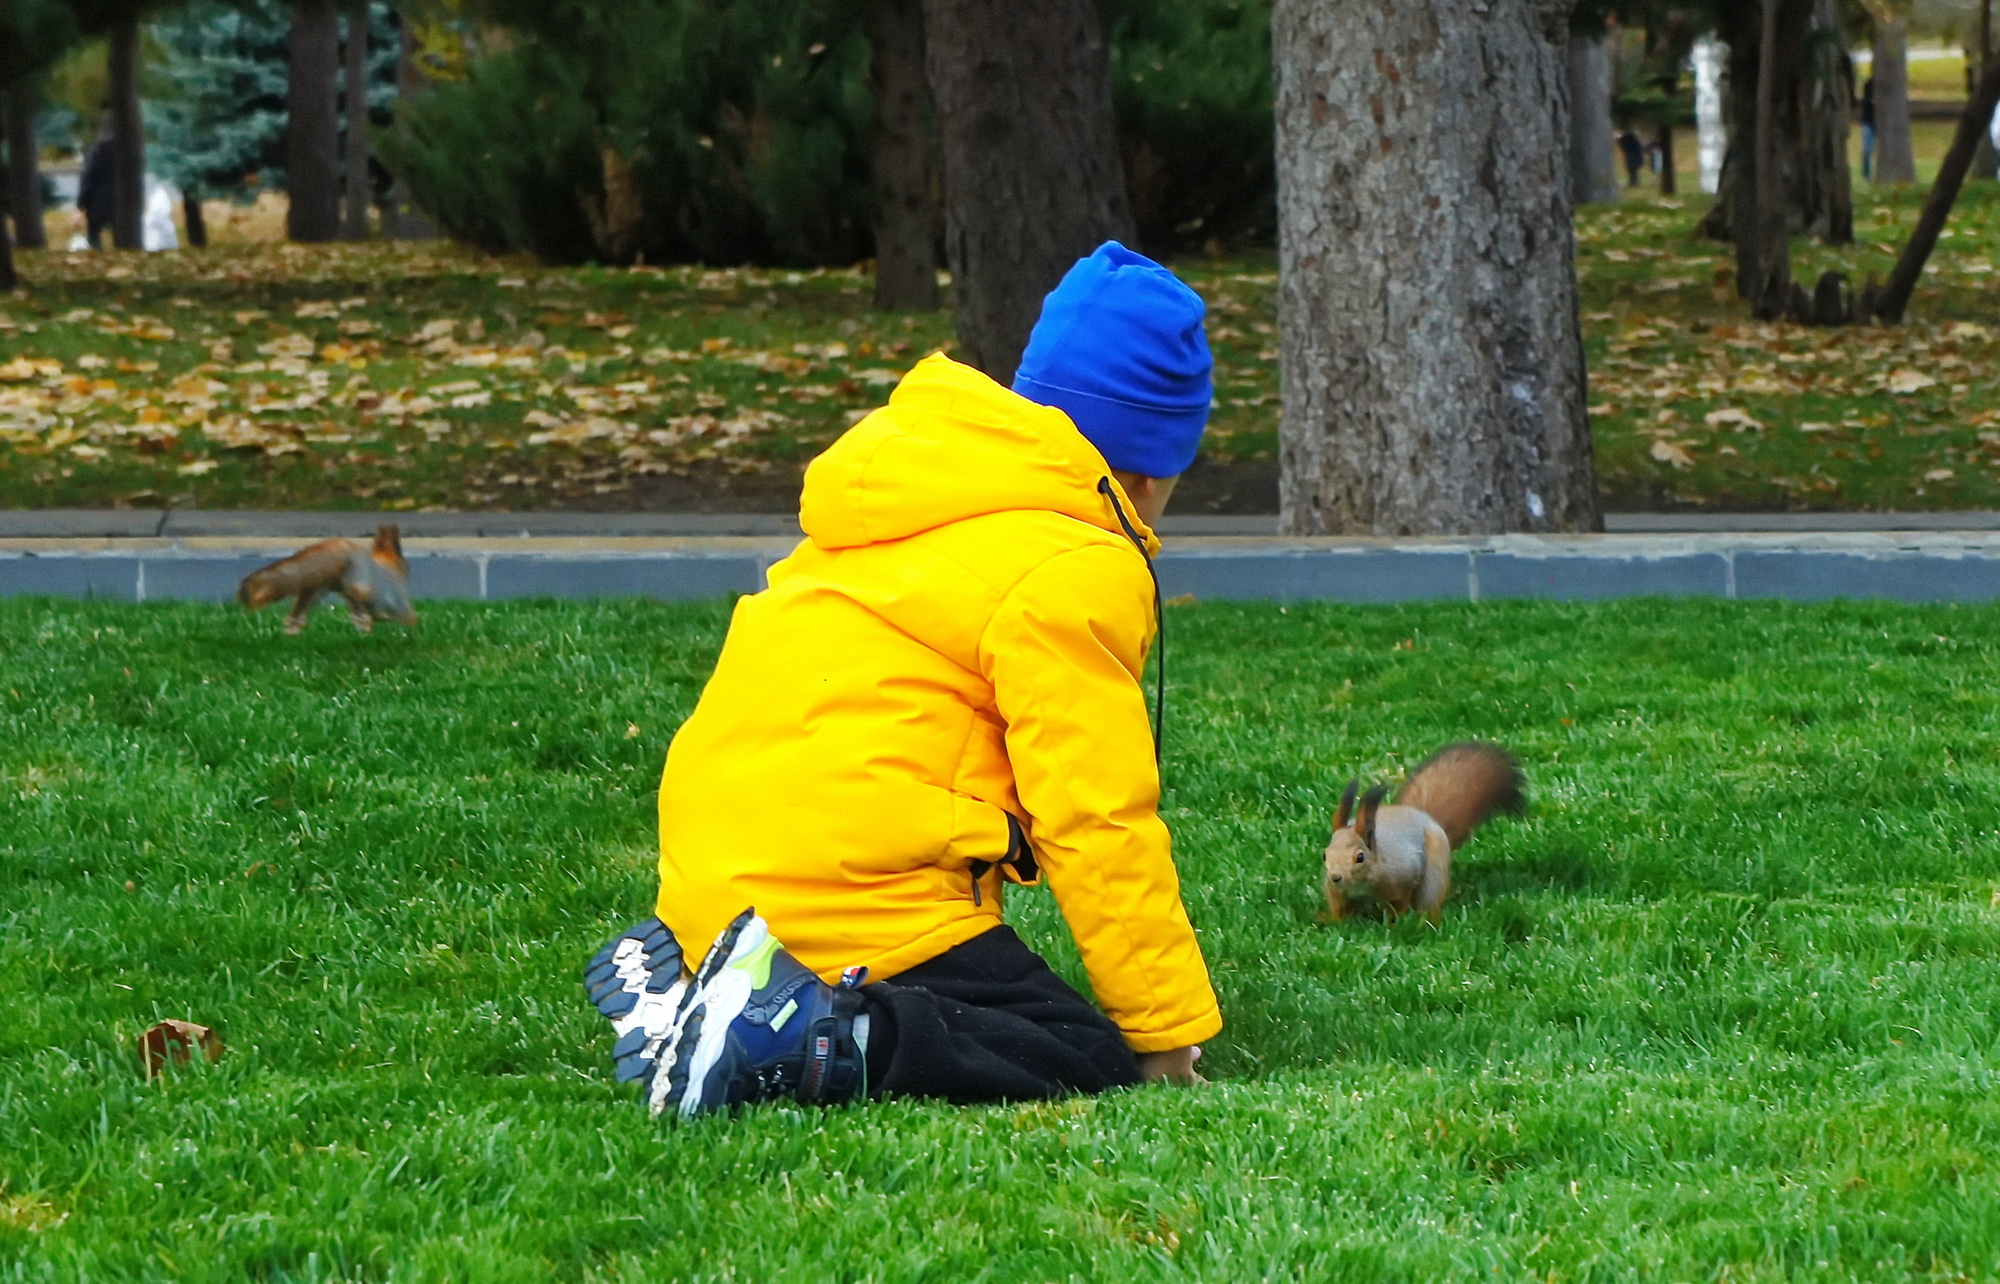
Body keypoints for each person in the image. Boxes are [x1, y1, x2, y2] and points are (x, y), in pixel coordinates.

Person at [583, 241, 1224, 1118]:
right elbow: (1094, 814)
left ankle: (696, 979)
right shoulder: (1072, 564)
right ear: (1148, 472)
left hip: (715, 873)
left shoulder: (918, 485)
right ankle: (795, 1033)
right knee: (1072, 1047)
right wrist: (1164, 1032)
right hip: (843, 894)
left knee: (1000, 1004)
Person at [76, 115, 117, 250]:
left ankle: (96, 254)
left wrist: (81, 204)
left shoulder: (97, 150)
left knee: (94, 235)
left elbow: (88, 177)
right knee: (122, 236)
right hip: (121, 201)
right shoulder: (127, 149)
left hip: (98, 201)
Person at [1861, 76, 1877, 182]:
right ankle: (1866, 176)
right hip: (1868, 122)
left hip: (1880, 123)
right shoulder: (1869, 84)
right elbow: (1866, 103)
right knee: (1867, 150)